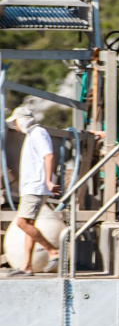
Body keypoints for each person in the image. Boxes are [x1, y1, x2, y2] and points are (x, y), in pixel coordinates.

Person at [7, 107, 60, 276]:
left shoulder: (38, 133)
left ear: (22, 120)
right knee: (29, 225)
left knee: (21, 223)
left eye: (15, 121)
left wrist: (48, 181)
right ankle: (26, 266)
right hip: (31, 187)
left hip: (35, 187)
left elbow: (49, 156)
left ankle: (52, 250)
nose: (15, 126)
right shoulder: (32, 135)